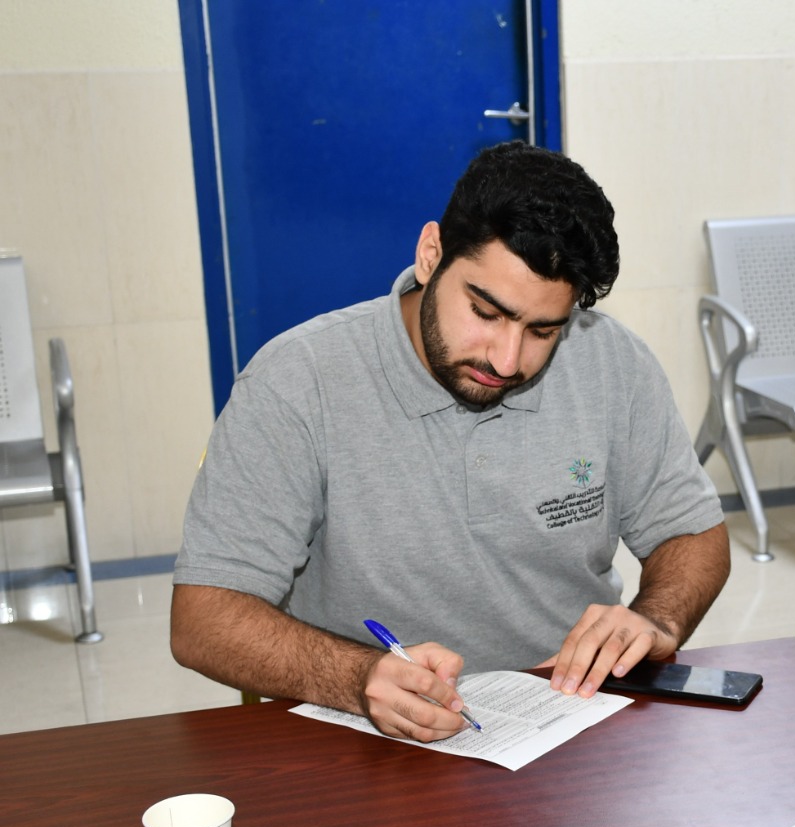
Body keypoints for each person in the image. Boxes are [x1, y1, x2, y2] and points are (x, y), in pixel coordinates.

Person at [172, 142, 730, 741]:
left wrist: (655, 620)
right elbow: (203, 618)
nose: (507, 360)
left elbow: (691, 533)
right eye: (485, 312)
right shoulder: (296, 382)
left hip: (567, 722)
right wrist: (358, 678)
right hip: (364, 737)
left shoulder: (613, 363)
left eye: (543, 331)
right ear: (430, 255)